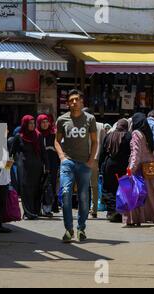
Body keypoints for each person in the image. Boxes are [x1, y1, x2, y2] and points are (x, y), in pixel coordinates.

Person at [55, 90, 98, 243]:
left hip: (84, 164)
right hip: (68, 163)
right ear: (68, 103)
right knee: (66, 193)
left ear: (82, 102)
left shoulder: (90, 119)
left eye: (77, 99)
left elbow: (94, 141)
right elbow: (57, 141)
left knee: (83, 197)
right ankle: (68, 229)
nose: (74, 102)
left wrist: (91, 160)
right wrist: (61, 156)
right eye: (71, 100)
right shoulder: (62, 120)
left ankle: (81, 228)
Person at [123, 113, 154, 227]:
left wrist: (130, 169)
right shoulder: (146, 133)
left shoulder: (136, 134)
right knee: (151, 195)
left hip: (139, 169)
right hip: (149, 168)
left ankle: (134, 219)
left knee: (134, 194)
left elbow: (136, 153)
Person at [10, 115, 45, 220]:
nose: (32, 125)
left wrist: (47, 166)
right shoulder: (19, 136)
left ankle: (34, 211)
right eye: (30, 123)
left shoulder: (38, 136)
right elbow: (12, 152)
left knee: (35, 189)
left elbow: (43, 152)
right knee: (25, 189)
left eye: (33, 123)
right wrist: (7, 167)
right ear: (25, 124)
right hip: (24, 167)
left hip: (37, 166)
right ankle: (28, 212)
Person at [99, 119, 132, 222]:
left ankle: (112, 211)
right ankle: (121, 211)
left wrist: (101, 166)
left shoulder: (109, 135)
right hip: (124, 165)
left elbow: (103, 152)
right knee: (122, 188)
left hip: (110, 164)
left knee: (109, 188)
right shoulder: (128, 136)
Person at [82, 108, 106, 219]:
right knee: (94, 186)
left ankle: (85, 209)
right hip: (95, 159)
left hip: (83, 158)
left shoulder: (81, 125)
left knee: (84, 185)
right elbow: (104, 144)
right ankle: (94, 209)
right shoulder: (101, 126)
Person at [37, 114, 60, 217]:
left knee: (50, 185)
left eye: (47, 122)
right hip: (39, 163)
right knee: (39, 185)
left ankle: (47, 208)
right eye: (43, 122)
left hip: (52, 163)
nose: (45, 124)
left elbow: (59, 147)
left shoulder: (53, 134)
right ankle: (38, 208)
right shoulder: (36, 135)